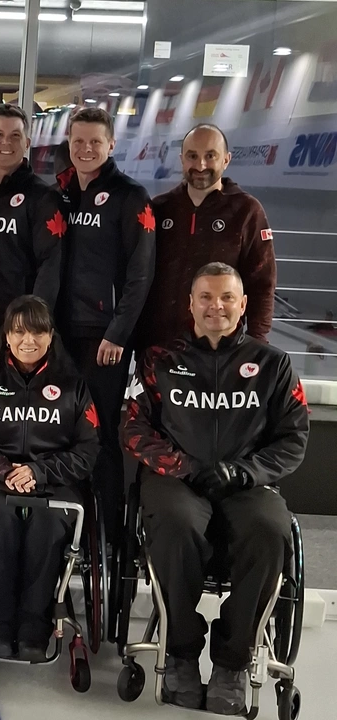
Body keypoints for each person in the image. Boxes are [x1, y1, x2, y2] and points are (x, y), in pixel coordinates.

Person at [123, 262, 309, 715]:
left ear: (243, 304)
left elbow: (294, 437)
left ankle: (232, 660)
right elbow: (132, 426)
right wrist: (181, 466)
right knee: (175, 521)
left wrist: (245, 471)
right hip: (177, 481)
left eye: (226, 297)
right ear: (190, 304)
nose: (216, 307)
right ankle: (182, 651)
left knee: (270, 527)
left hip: (244, 482)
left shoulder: (273, 364)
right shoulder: (157, 360)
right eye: (206, 297)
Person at [0, 295, 99, 660]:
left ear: (51, 337)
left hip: (53, 483)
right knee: (0, 519)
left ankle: (35, 627)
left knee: (46, 524)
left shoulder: (73, 387)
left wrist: (39, 471)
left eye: (37, 332)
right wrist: (1, 468)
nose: (28, 340)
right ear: (6, 337)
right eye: (19, 332)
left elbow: (89, 449)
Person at [55, 107, 155, 533]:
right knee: (62, 430)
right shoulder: (59, 194)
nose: (86, 149)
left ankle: (107, 532)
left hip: (104, 339)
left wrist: (118, 333)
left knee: (100, 432)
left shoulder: (131, 196)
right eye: (79, 141)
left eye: (95, 141)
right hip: (60, 334)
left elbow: (141, 273)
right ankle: (66, 523)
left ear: (111, 145)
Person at [135, 123, 276, 352]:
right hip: (158, 346)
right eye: (193, 156)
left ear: (226, 160)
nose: (200, 165)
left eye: (210, 156)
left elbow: (262, 282)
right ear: (182, 159)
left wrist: (257, 341)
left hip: (219, 346)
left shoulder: (247, 211)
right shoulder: (160, 208)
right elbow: (137, 276)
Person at [0, 103, 65, 385]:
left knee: (16, 408)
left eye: (15, 136)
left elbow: (50, 264)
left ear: (27, 143)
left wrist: (34, 321)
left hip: (21, 328)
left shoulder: (43, 197)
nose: (5, 143)